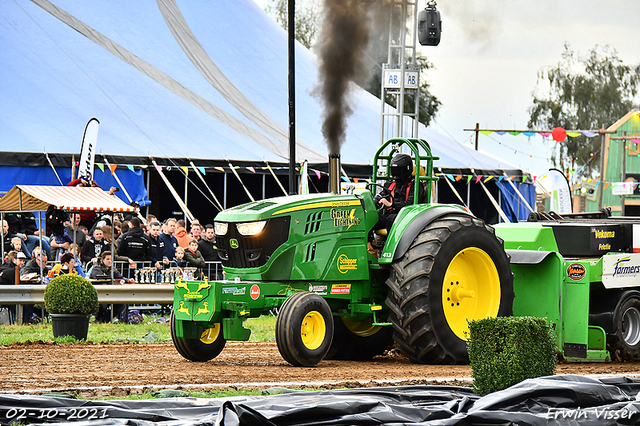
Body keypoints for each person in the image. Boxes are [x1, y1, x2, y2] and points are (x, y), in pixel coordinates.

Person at [374, 153, 426, 232]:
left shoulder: (415, 185)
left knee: (391, 219)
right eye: (394, 171)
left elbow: (411, 204)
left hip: (406, 217)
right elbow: (382, 196)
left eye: (399, 171)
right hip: (390, 215)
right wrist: (377, 200)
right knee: (370, 218)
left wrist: (392, 204)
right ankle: (369, 243)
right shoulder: (390, 185)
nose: (396, 174)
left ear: (407, 169)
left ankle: (392, 244)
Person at [89, 251, 132, 322]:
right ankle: (98, 318)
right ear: (103, 260)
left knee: (121, 304)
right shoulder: (96, 268)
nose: (110, 261)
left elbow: (120, 277)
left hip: (110, 293)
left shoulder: (112, 269)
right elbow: (102, 279)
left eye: (111, 259)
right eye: (108, 259)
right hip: (99, 294)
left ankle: (105, 319)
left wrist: (128, 280)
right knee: (103, 305)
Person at [0, 251, 28, 323]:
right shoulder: (13, 270)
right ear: (14, 260)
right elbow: (16, 285)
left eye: (23, 261)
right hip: (7, 296)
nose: (22, 263)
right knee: (26, 301)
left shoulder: (5, 266)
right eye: (20, 260)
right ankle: (21, 321)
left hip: (5, 294)